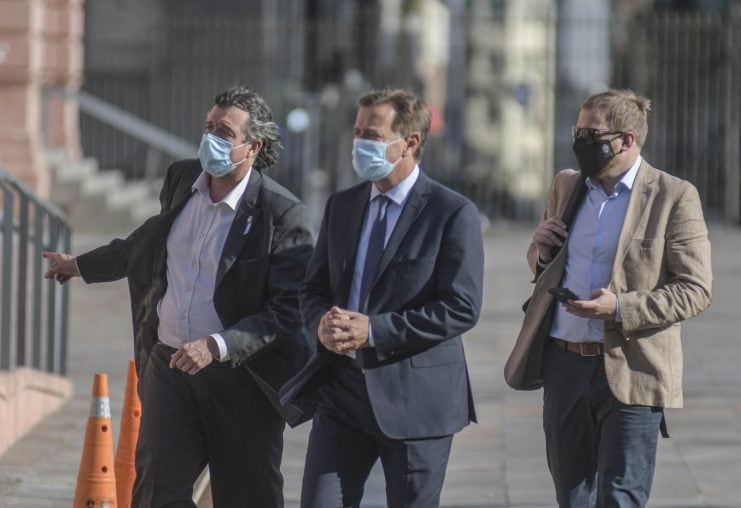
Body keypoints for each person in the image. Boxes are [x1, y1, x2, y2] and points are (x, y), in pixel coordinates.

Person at [43, 85, 314, 507]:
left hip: (241, 381)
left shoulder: (281, 215)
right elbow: (144, 245)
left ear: (253, 146)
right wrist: (80, 265)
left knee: (248, 495)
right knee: (156, 491)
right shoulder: (183, 179)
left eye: (224, 132)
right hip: (170, 368)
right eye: (208, 126)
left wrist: (217, 345)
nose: (211, 139)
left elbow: (286, 312)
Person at [280, 88, 484, 508]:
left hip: (415, 399)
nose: (359, 145)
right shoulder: (343, 205)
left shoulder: (451, 212)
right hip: (342, 393)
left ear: (409, 142)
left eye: (371, 135)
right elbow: (313, 288)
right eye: (357, 133)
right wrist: (320, 323)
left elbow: (461, 307)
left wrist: (373, 330)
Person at [526, 89, 712, 506]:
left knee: (621, 497)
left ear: (626, 140)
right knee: (571, 496)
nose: (579, 141)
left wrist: (621, 308)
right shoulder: (566, 185)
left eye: (591, 133)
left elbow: (696, 289)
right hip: (564, 363)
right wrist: (540, 250)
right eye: (577, 130)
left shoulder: (673, 195)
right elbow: (542, 263)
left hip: (633, 367)